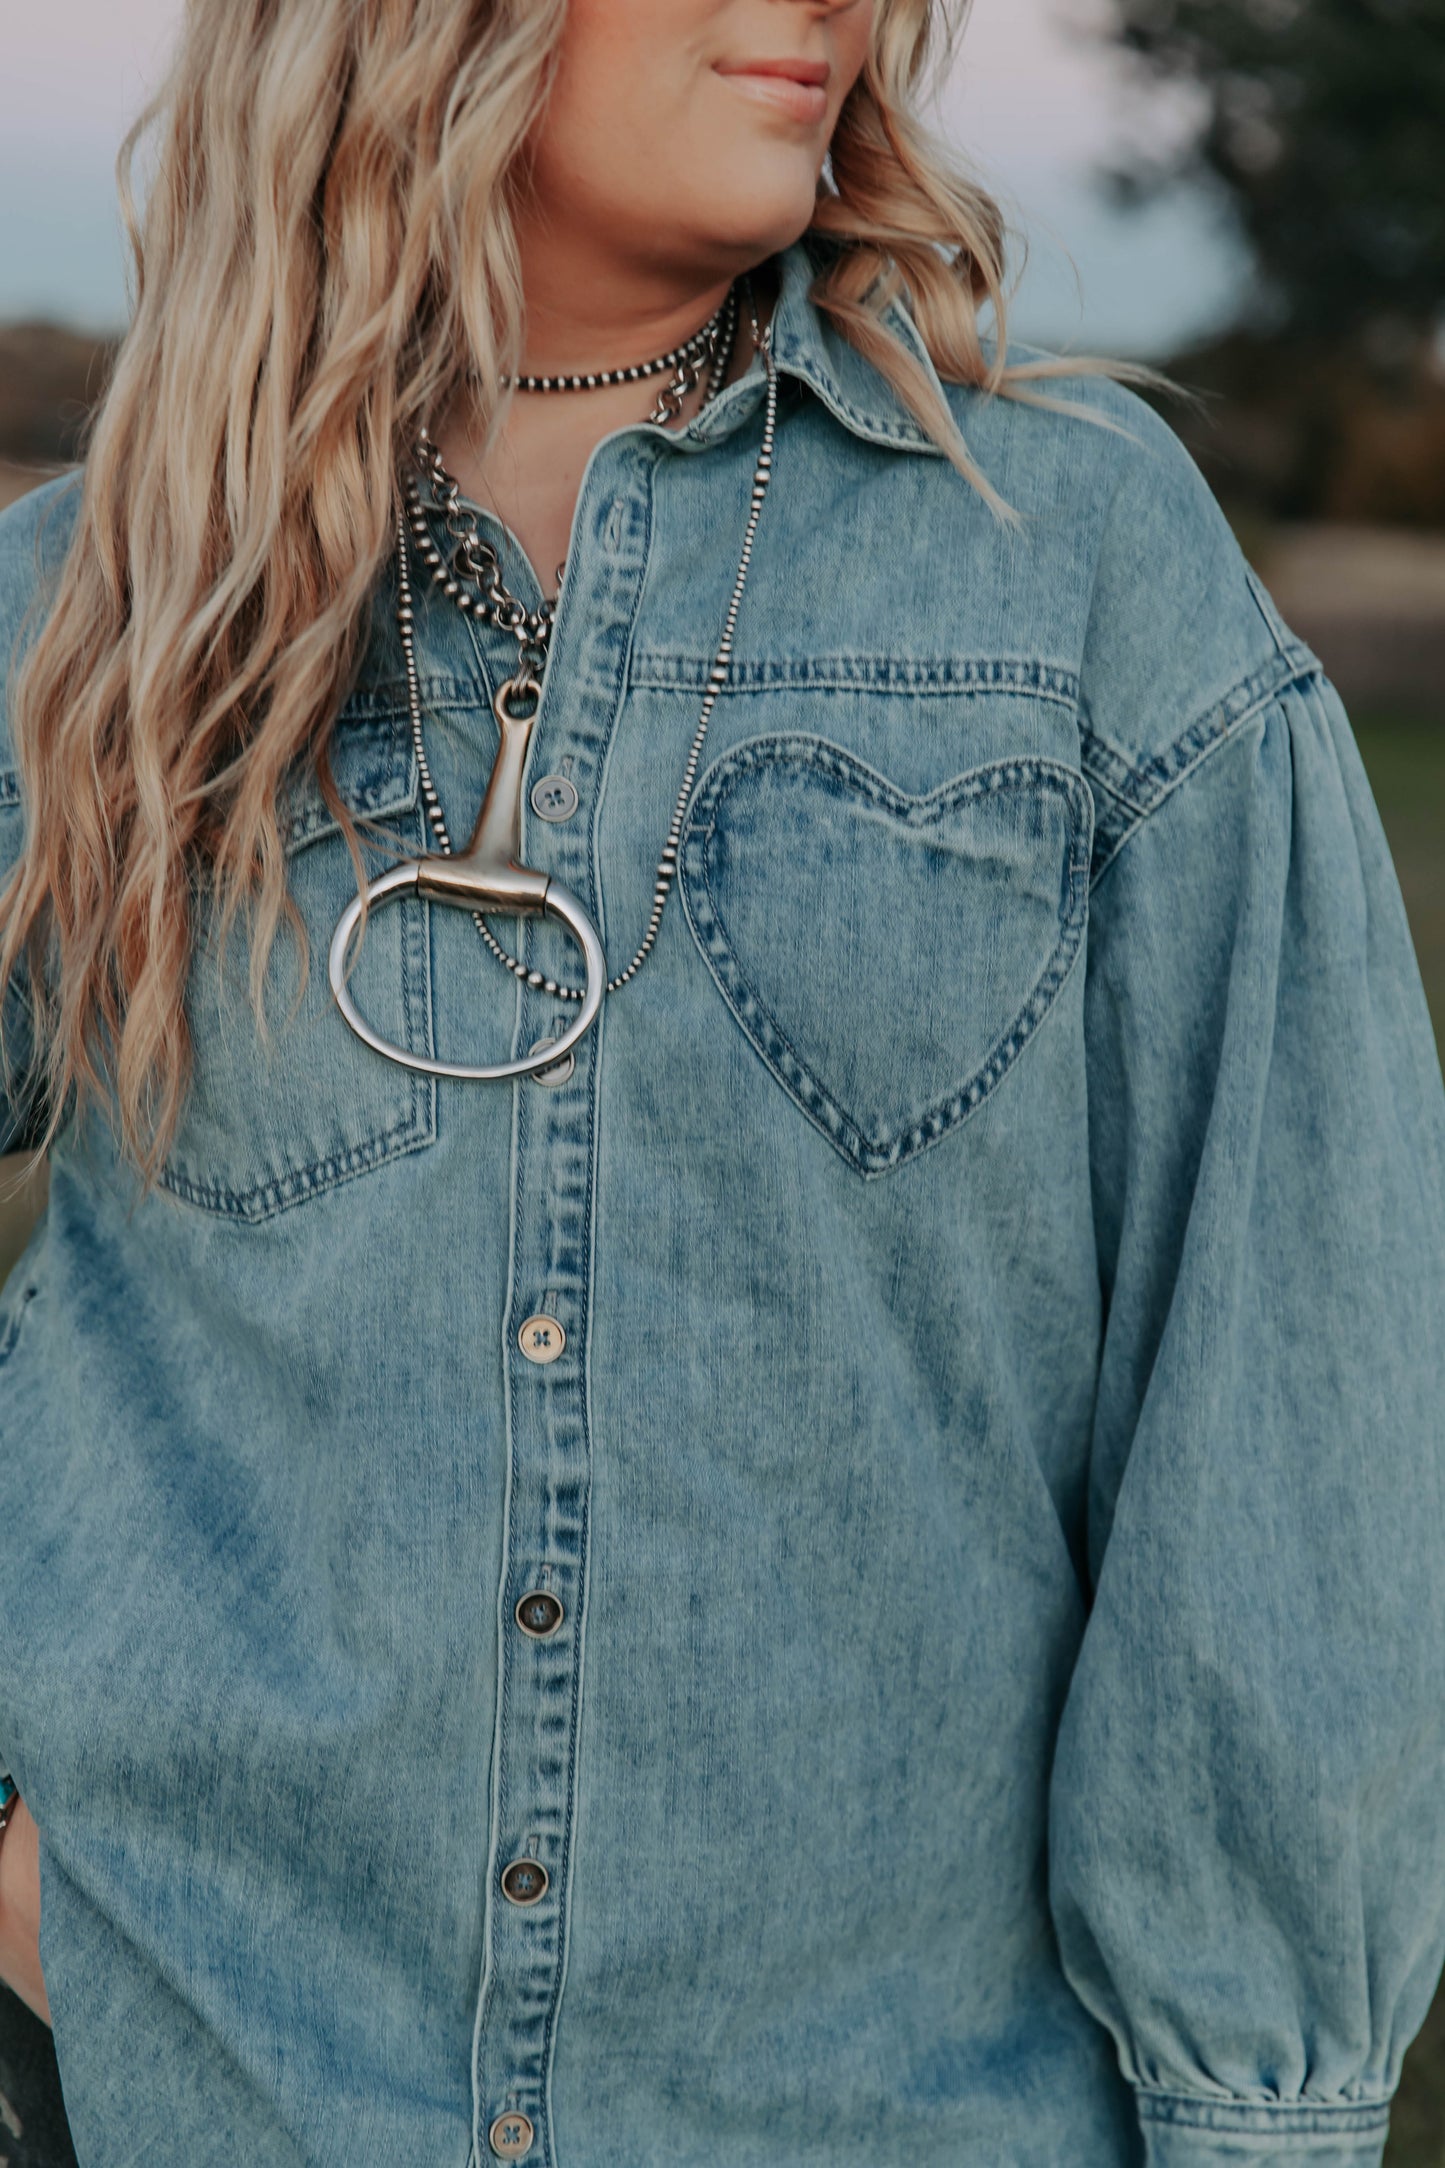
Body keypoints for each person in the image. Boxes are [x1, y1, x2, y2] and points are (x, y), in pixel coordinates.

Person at [3, 0, 1445, 2162]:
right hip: (198, 2089)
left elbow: (1300, 1435)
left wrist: (1262, 2116)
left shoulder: (1077, 574)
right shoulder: (99, 614)